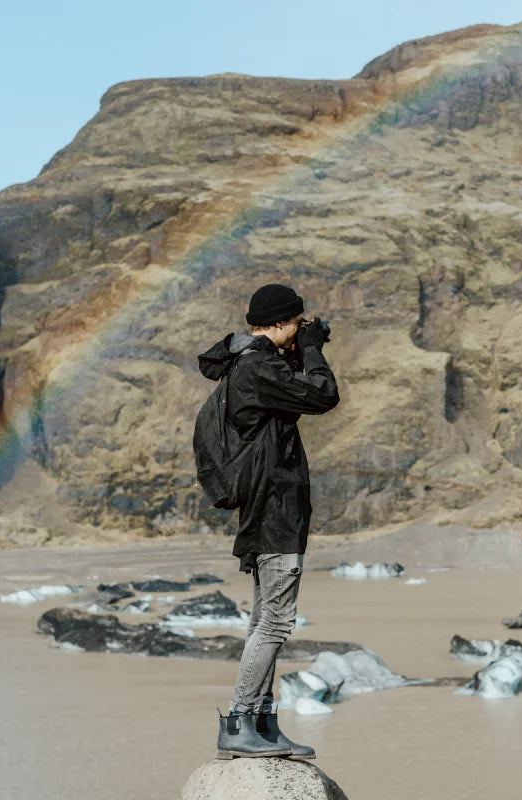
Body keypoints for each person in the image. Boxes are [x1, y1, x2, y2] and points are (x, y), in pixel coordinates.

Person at [196, 283, 339, 759]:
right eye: (297, 322)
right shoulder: (257, 367)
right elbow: (323, 395)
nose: (302, 328)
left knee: (265, 618)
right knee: (275, 623)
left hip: (271, 510)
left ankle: (261, 721)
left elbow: (293, 394)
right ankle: (239, 722)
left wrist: (302, 349)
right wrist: (314, 350)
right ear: (279, 323)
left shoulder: (254, 364)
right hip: (275, 511)